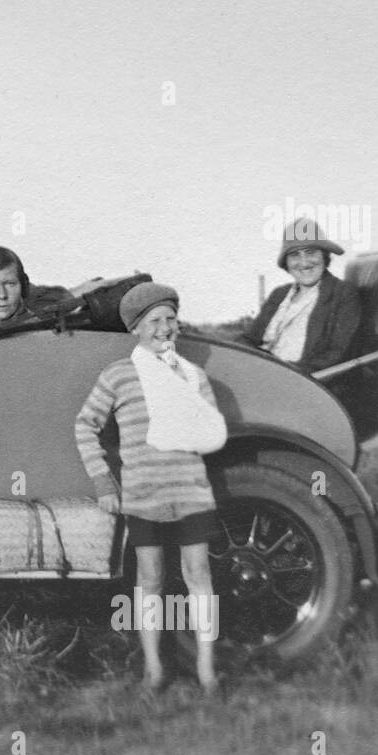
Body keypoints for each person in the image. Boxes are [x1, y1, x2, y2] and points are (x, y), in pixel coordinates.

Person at [75, 283, 226, 694]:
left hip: (191, 491)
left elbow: (212, 431)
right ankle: (155, 669)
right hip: (143, 495)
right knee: (150, 577)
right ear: (136, 329)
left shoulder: (192, 376)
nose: (164, 328)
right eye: (154, 321)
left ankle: (208, 670)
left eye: (170, 319)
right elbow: (85, 425)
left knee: (199, 575)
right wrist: (104, 480)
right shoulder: (118, 375)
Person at [242, 217, 361, 375]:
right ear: (286, 263)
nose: (303, 262)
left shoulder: (343, 294)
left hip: (304, 382)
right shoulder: (279, 294)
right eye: (294, 255)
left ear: (324, 257)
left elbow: (338, 354)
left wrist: (290, 373)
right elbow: (249, 339)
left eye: (310, 252)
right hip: (261, 373)